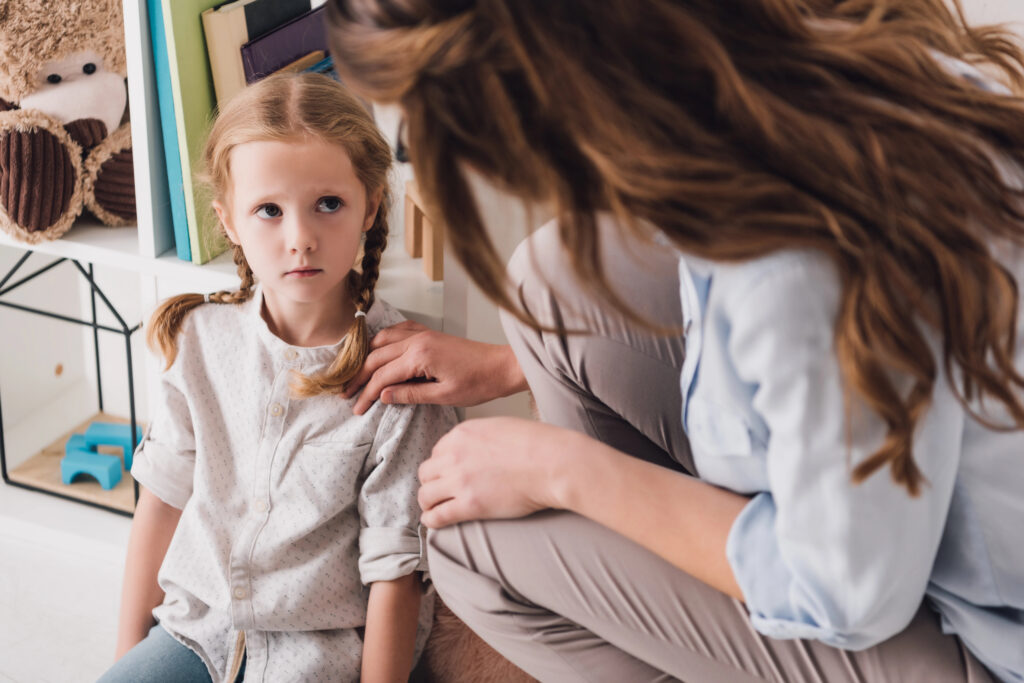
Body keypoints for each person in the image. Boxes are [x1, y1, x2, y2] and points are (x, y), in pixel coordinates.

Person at [327, 1, 1024, 681]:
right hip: (930, 521)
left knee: (468, 542)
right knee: (556, 282)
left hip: (970, 634)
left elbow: (843, 591)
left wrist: (566, 472)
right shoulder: (780, 62)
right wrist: (512, 366)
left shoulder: (790, 255)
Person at [99, 73, 458, 683]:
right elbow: (159, 505)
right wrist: (125, 660)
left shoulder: (397, 375)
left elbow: (396, 572)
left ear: (370, 205)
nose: (301, 240)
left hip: (321, 656)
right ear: (229, 221)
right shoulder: (200, 343)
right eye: (269, 210)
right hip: (199, 635)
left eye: (328, 204)